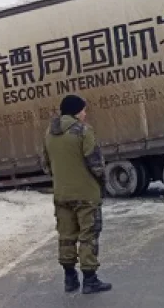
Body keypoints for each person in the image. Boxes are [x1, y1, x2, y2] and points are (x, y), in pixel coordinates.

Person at [43, 94, 112, 294]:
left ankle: (70, 279)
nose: (85, 113)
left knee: (66, 236)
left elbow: (45, 166)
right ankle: (90, 280)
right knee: (88, 235)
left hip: (61, 195)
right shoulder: (83, 131)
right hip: (85, 194)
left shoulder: (49, 133)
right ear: (76, 111)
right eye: (83, 110)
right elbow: (96, 164)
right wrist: (100, 184)